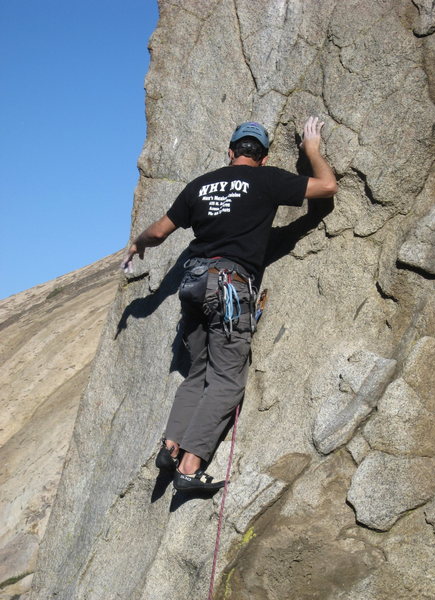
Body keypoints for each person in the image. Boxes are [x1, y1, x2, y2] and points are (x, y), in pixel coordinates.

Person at [122, 116, 337, 491]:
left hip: (193, 284)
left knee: (197, 373)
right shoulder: (268, 180)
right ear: (264, 157)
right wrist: (312, 150)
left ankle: (170, 447)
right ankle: (189, 467)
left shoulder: (200, 186)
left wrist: (137, 243)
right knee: (226, 383)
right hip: (229, 288)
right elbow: (328, 187)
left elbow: (158, 231)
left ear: (230, 152)